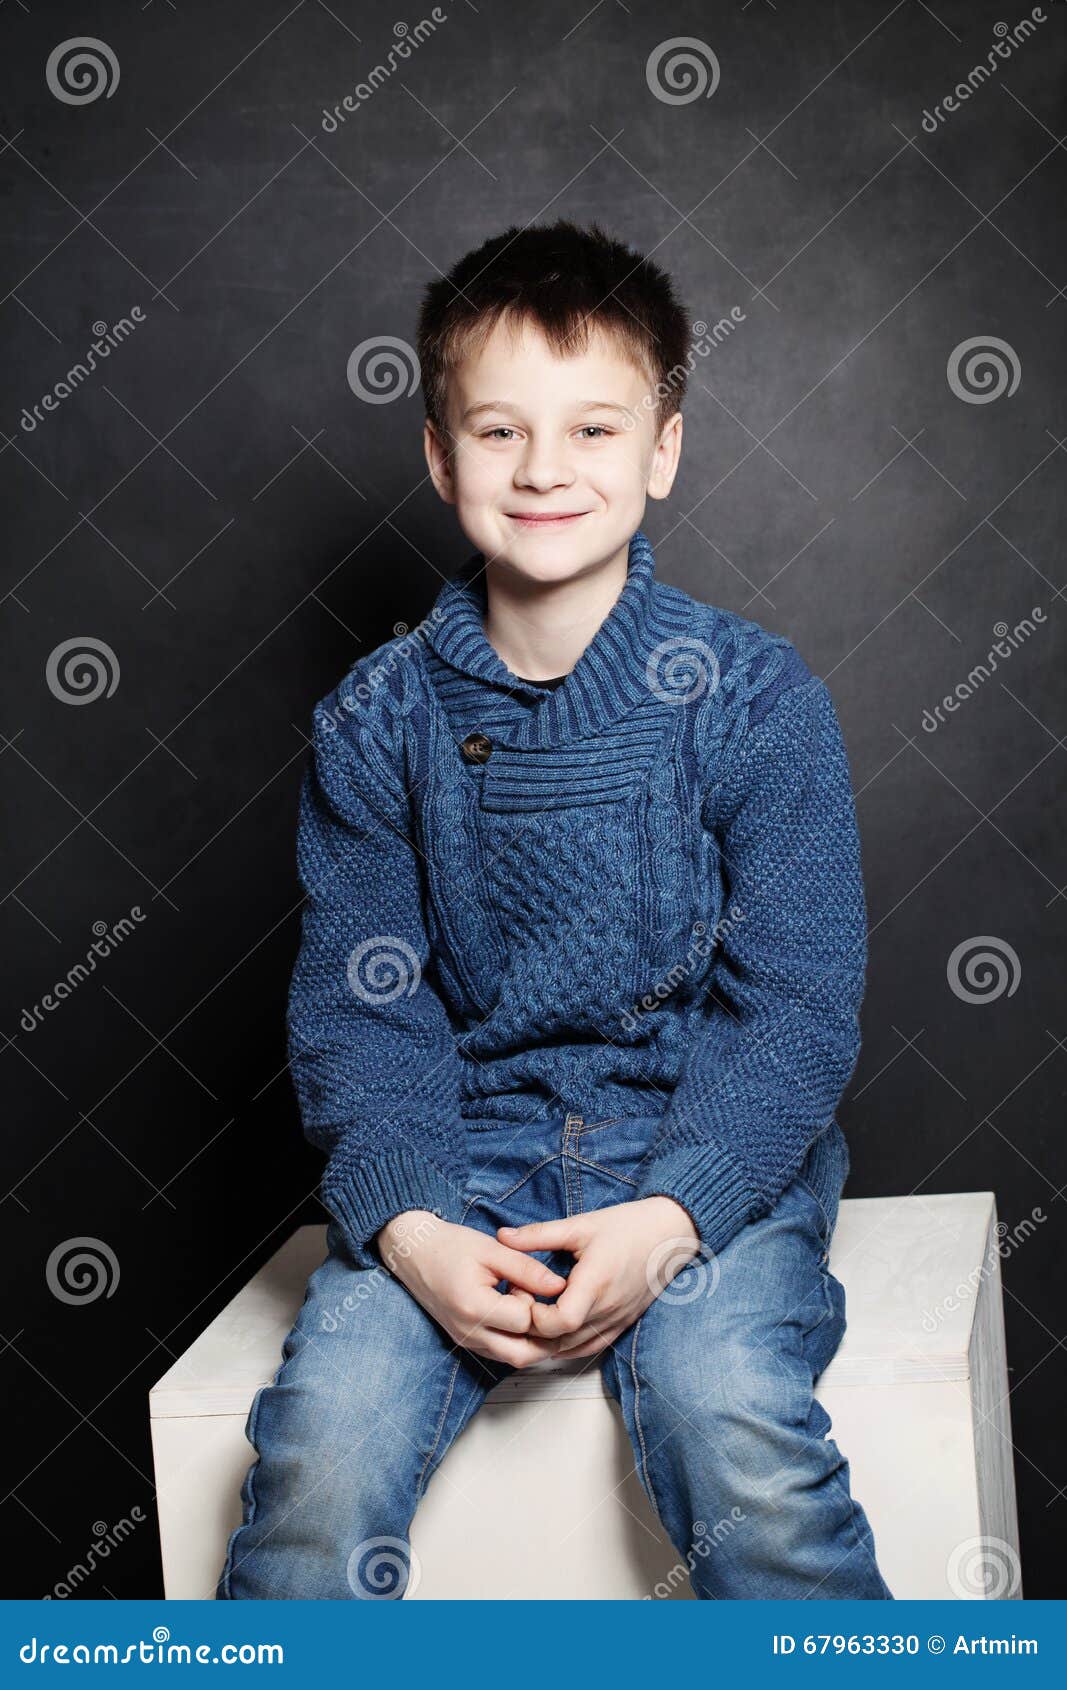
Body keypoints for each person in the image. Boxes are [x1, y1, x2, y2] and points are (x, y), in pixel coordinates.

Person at [216, 218, 893, 1601]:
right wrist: (410, 1227)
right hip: (464, 1167)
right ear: (437, 453)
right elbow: (362, 1011)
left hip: (705, 1158)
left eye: (592, 428)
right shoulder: (376, 724)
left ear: (662, 450)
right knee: (320, 1455)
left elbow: (796, 1006)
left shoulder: (758, 700)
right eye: (499, 429)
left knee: (731, 1420)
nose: (542, 469)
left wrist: (673, 1214)